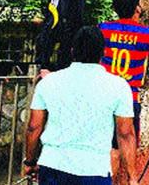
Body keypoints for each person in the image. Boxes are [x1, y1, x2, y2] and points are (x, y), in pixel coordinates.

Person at [24, 26, 139, 185]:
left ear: (72, 51)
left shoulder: (48, 82)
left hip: (53, 165)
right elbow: (125, 134)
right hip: (94, 169)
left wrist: (30, 162)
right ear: (103, 53)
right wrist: (132, 176)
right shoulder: (119, 86)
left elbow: (33, 126)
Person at [98, 0, 149, 176]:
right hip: (129, 97)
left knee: (106, 146)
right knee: (122, 144)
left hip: (103, 96)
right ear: (137, 9)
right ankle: (131, 179)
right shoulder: (147, 33)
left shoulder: (104, 29)